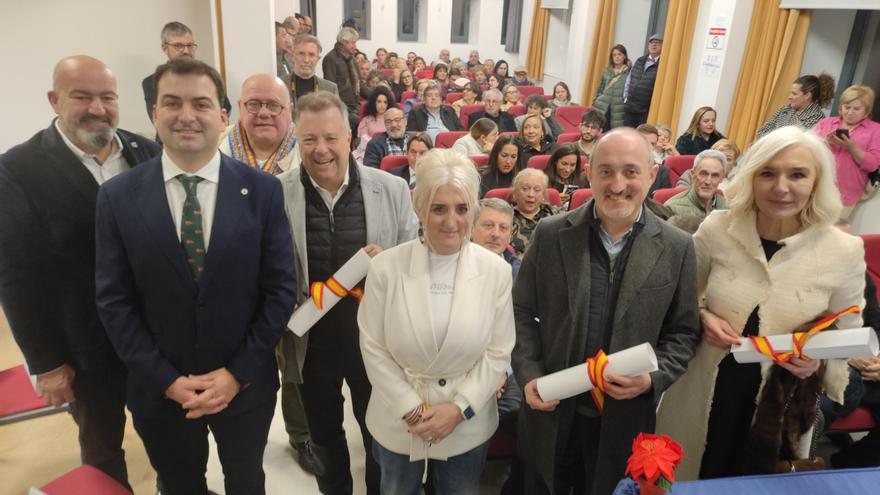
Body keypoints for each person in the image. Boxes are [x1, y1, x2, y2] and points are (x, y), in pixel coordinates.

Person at [95, 58, 296, 495]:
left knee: (246, 481)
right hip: (160, 392)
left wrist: (236, 374)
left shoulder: (262, 191)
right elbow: (114, 302)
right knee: (180, 485)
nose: (187, 115)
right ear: (153, 113)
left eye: (201, 104)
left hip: (245, 388)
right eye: (172, 103)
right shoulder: (117, 197)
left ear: (223, 116)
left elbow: (280, 290)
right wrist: (165, 380)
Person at [656, 126, 866, 480]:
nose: (781, 187)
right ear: (751, 178)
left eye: (797, 174)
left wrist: (815, 361)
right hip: (703, 389)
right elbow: (677, 299)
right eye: (767, 173)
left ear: (816, 182)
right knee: (681, 478)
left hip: (779, 404)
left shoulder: (842, 250)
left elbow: (847, 334)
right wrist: (703, 315)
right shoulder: (718, 228)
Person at [0, 55, 160, 490]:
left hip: (153, 337)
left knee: (167, 435)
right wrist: (47, 363)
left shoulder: (146, 152)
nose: (97, 107)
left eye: (107, 97)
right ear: (54, 100)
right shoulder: (18, 169)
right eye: (81, 96)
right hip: (85, 348)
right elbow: (15, 274)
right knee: (102, 448)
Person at [512, 127, 701, 494]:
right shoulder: (551, 235)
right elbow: (520, 313)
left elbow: (683, 333)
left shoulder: (678, 247)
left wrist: (652, 379)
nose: (617, 185)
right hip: (553, 409)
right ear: (589, 173)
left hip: (625, 419)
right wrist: (530, 373)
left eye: (631, 171)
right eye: (606, 171)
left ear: (651, 175)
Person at [277, 91, 419, 495]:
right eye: (309, 140)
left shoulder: (390, 190)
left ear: (350, 137)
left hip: (374, 345)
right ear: (296, 141)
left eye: (330, 138)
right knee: (324, 437)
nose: (320, 150)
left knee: (379, 435)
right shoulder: (277, 193)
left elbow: (411, 264)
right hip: (311, 343)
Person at [356, 148, 514, 494]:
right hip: (397, 420)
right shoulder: (386, 268)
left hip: (466, 423)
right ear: (419, 208)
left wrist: (459, 409)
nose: (451, 221)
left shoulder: (496, 272)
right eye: (438, 208)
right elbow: (372, 347)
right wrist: (411, 410)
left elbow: (499, 352)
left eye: (461, 208)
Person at [142, 22, 231, 121]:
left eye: (190, 45)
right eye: (178, 46)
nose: (186, 51)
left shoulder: (209, 78)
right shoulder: (152, 82)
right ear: (165, 48)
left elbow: (226, 109)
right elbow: (160, 119)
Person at [814, 85, 880, 219]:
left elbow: (872, 164)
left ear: (866, 111)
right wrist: (825, 142)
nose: (850, 112)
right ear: (840, 107)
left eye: (856, 108)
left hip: (845, 195)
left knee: (830, 235)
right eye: (847, 107)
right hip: (815, 188)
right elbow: (806, 149)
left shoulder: (876, 130)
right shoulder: (825, 123)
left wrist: (851, 147)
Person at [220, 74, 300, 176]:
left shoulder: (308, 150)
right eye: (253, 104)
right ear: (240, 107)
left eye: (273, 105)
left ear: (289, 110)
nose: (264, 113)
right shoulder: (214, 145)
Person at [757, 74, 835, 138]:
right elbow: (762, 132)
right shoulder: (785, 109)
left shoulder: (818, 119)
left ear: (807, 96)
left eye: (794, 94)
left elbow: (796, 142)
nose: (789, 97)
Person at [509, 168, 562, 258]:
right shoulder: (506, 217)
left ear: (543, 195)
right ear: (515, 193)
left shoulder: (556, 214)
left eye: (537, 190)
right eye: (525, 189)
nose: (531, 194)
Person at [664, 150, 728, 220]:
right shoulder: (672, 208)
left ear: (722, 178)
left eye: (715, 176)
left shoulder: (728, 209)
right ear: (693, 174)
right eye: (703, 174)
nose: (708, 181)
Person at [322, 27, 361, 129]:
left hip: (355, 106)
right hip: (342, 108)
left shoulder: (352, 59)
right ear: (344, 43)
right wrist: (341, 110)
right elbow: (330, 89)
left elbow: (361, 85)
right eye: (352, 43)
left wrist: (378, 93)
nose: (355, 46)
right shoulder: (330, 59)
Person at [283, 34, 339, 104]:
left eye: (311, 55)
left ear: (318, 59)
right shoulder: (279, 85)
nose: (306, 60)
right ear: (292, 56)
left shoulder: (330, 89)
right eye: (301, 54)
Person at [623, 34, 662, 127]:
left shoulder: (662, 64)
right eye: (652, 42)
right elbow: (629, 78)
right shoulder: (640, 60)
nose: (654, 45)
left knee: (641, 135)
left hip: (645, 109)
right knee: (628, 133)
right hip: (630, 106)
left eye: (657, 43)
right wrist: (625, 97)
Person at [593, 44, 631, 130]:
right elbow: (600, 88)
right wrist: (596, 100)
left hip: (618, 109)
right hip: (602, 107)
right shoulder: (606, 71)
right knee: (599, 131)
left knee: (614, 133)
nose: (617, 57)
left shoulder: (629, 73)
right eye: (614, 55)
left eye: (619, 54)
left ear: (624, 56)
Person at [354, 86, 395, 162]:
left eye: (385, 102)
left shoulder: (393, 120)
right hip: (368, 152)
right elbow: (363, 140)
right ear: (374, 102)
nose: (382, 105)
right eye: (379, 102)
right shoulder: (366, 120)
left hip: (389, 152)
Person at [636, 124, 672, 196]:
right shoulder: (619, 165)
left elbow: (663, 199)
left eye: (652, 144)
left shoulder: (662, 171)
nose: (648, 147)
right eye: (644, 141)